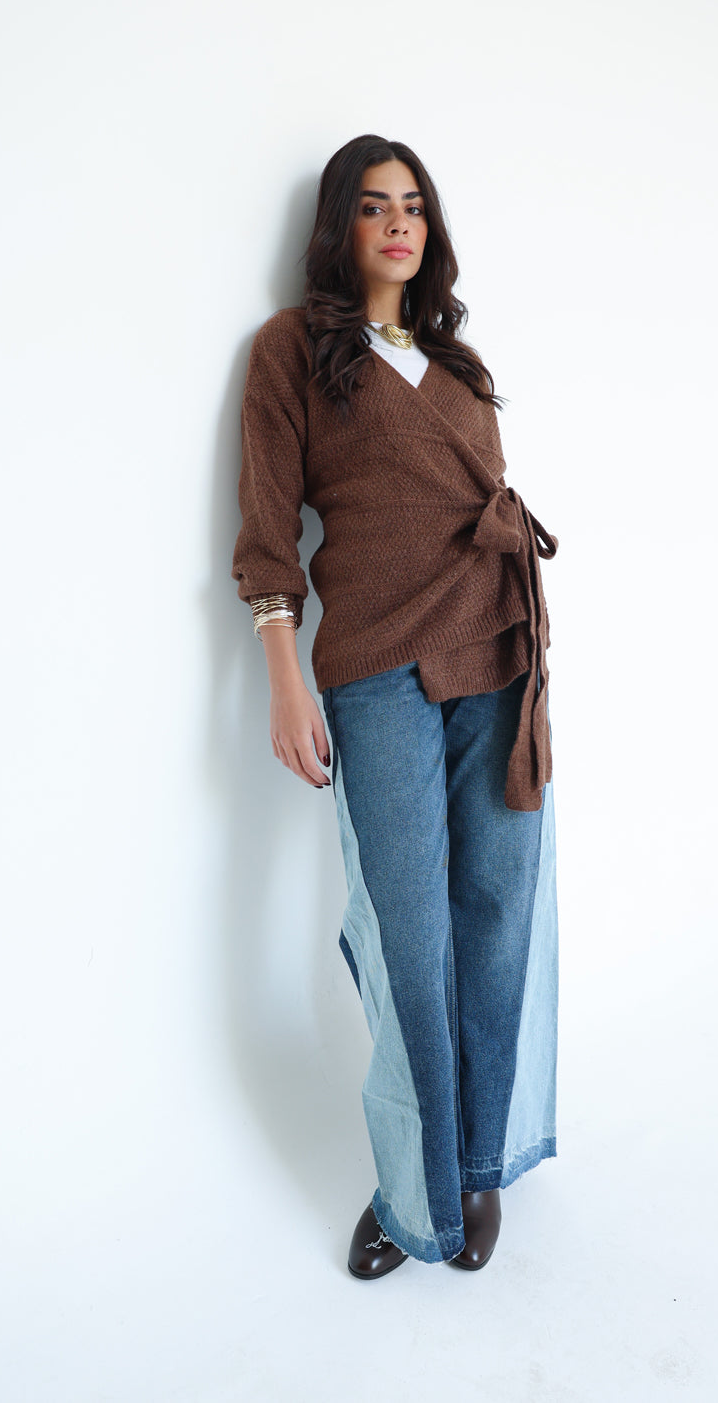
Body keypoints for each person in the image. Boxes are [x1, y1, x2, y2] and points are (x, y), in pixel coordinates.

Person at [231, 133, 559, 1278]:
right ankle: (414, 1185)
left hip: (494, 651)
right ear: (341, 227)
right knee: (409, 933)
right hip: (373, 666)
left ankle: (476, 1166)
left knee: (495, 914)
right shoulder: (293, 350)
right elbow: (269, 525)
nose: (399, 223)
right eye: (374, 206)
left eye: (413, 204)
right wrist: (283, 674)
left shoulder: (458, 364)